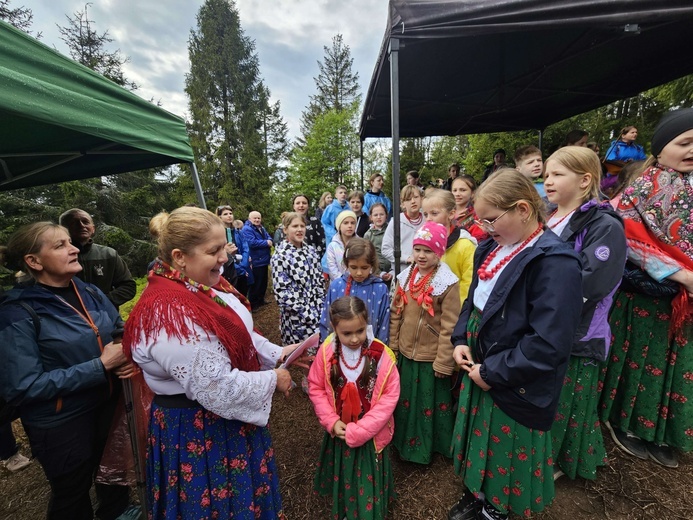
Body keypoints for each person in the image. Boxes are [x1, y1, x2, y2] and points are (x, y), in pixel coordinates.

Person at [123, 206, 298, 519]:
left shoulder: (198, 285)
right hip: (200, 431)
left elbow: (237, 331)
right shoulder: (171, 314)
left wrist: (277, 352)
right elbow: (216, 387)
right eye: (214, 251)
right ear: (179, 256)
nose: (224, 258)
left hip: (218, 423)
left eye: (223, 247)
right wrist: (274, 379)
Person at [448, 169, 583, 520]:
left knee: (505, 446)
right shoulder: (491, 247)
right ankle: (478, 493)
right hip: (483, 361)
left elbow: (549, 342)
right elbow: (473, 301)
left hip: (514, 376)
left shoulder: (555, 262)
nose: (485, 228)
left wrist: (492, 371)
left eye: (491, 219)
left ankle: (497, 508)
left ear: (523, 209)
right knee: (481, 439)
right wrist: (461, 337)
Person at [0, 222, 135, 520]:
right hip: (62, 422)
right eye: (59, 245)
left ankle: (117, 512)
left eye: (69, 242)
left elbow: (118, 330)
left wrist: (124, 350)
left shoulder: (89, 291)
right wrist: (100, 366)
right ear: (33, 261)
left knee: (111, 473)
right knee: (72, 493)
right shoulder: (16, 312)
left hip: (107, 405)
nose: (74, 248)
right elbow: (22, 387)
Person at [599, 108, 693, 469]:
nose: (690, 150)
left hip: (685, 302)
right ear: (662, 145)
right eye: (683, 143)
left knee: (676, 361)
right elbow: (628, 237)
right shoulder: (642, 186)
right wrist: (680, 275)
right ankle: (629, 423)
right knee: (643, 357)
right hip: (649, 294)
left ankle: (665, 429)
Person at [543, 146, 627, 481]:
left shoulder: (604, 226)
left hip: (577, 332)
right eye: (546, 174)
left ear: (585, 180)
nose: (548, 181)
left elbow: (591, 283)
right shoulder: (551, 217)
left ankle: (563, 460)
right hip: (546, 322)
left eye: (557, 174)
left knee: (568, 400)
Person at [308, 295, 399, 520]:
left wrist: (361, 430)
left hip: (371, 435)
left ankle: (368, 509)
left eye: (359, 331)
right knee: (346, 472)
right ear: (334, 328)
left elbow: (389, 397)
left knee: (367, 473)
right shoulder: (327, 352)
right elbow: (316, 387)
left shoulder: (382, 356)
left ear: (366, 322)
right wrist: (330, 420)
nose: (355, 338)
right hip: (339, 429)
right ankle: (347, 507)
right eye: (346, 333)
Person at [390, 221, 461, 464]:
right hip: (407, 355)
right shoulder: (406, 276)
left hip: (431, 358)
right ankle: (402, 442)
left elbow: (450, 326)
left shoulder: (447, 283)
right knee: (406, 402)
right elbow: (396, 312)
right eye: (418, 249)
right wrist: (394, 345)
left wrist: (444, 362)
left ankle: (427, 448)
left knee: (428, 406)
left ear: (439, 252)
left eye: (428, 250)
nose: (421, 255)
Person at [59, 208, 136, 310]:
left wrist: (102, 301)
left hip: (107, 318)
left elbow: (128, 286)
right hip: (68, 318)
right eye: (74, 222)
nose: (81, 225)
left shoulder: (109, 254)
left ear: (93, 228)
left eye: (85, 222)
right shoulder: (55, 257)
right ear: (63, 229)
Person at [320, 238, 390, 344]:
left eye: (364, 267)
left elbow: (384, 324)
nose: (359, 273)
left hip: (370, 351)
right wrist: (327, 347)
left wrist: (380, 352)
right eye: (353, 267)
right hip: (338, 350)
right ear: (346, 264)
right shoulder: (337, 286)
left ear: (372, 265)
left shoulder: (380, 289)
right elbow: (326, 320)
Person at [271, 212, 325, 345]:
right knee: (303, 354)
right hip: (297, 316)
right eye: (295, 226)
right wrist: (307, 313)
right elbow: (282, 293)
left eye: (302, 226)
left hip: (318, 310)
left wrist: (321, 306)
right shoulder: (280, 256)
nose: (300, 229)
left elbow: (319, 280)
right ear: (285, 230)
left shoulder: (311, 251)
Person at [422, 188, 476, 303]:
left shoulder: (465, 245)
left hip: (453, 310)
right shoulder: (425, 243)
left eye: (434, 213)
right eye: (425, 214)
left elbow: (468, 284)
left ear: (451, 214)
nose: (428, 219)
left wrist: (455, 310)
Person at [382, 185, 425, 275]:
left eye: (416, 197)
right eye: (408, 199)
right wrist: (406, 258)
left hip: (424, 273)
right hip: (402, 272)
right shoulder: (396, 221)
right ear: (403, 203)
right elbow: (386, 249)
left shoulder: (427, 220)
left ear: (421, 198)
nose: (413, 201)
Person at [216, 204, 252, 295]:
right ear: (219, 217)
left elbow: (245, 248)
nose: (229, 215)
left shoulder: (238, 231)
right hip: (230, 270)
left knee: (244, 293)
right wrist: (239, 269)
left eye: (230, 213)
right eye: (225, 214)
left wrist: (244, 265)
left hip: (243, 268)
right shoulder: (217, 234)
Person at [242, 210, 273, 310]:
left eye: (258, 218)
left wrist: (269, 241)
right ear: (249, 218)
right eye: (255, 218)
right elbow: (252, 243)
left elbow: (269, 238)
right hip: (256, 260)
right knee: (256, 283)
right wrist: (266, 243)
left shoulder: (261, 228)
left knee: (263, 281)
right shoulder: (247, 229)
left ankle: (261, 300)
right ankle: (254, 304)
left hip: (264, 259)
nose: (257, 220)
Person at [363, 203, 393, 284]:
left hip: (393, 269)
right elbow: (368, 257)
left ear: (386, 215)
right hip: (376, 274)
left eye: (381, 214)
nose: (379, 217)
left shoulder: (392, 229)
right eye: (375, 215)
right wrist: (379, 273)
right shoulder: (368, 235)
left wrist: (393, 271)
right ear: (371, 217)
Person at [451, 175, 487, 242]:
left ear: (472, 193)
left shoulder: (478, 214)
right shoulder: (447, 212)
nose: (457, 194)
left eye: (463, 190)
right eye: (454, 190)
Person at [325, 210, 357, 281]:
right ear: (339, 226)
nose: (350, 226)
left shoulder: (361, 243)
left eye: (352, 223)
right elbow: (332, 268)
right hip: (339, 285)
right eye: (345, 223)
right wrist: (344, 282)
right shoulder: (332, 246)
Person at [292, 193, 326, 259]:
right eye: (298, 203)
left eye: (304, 203)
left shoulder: (315, 222)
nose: (301, 205)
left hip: (313, 261)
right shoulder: (288, 223)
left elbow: (322, 243)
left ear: (308, 206)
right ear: (293, 206)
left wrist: (315, 259)